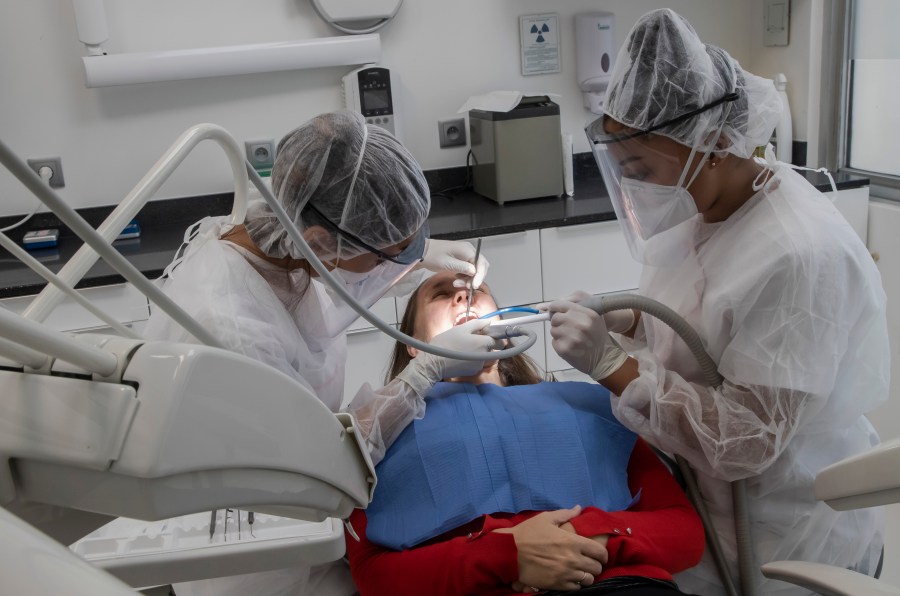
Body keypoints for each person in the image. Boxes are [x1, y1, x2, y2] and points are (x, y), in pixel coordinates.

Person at [546, 8, 890, 596]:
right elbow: (695, 331)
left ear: (713, 142)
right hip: (706, 512)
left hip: (787, 538)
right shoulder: (704, 208)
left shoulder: (797, 255)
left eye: (641, 168)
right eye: (624, 169)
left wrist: (613, 366)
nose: (634, 188)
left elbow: (748, 440)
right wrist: (629, 318)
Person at [143, 111, 494, 595]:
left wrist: (415, 255)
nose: (460, 299)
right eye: (388, 252)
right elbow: (318, 464)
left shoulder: (278, 244)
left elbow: (327, 294)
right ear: (322, 242)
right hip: (264, 560)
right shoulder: (234, 331)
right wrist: (426, 371)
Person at [345, 271, 705, 596]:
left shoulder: (593, 407)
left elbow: (685, 534)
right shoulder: (379, 433)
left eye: (476, 289)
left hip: (618, 583)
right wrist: (506, 554)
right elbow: (372, 574)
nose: (461, 296)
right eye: (441, 293)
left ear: (508, 327)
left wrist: (583, 538)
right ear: (412, 344)